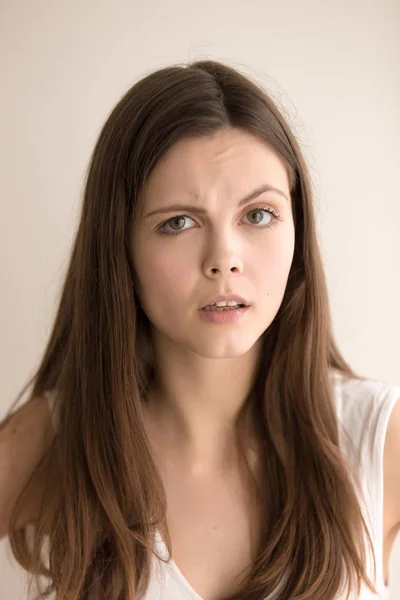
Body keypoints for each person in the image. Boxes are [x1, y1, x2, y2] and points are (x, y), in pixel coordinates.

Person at [1, 59, 399, 600]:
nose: (224, 259)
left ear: (298, 232)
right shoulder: (56, 442)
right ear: (120, 249)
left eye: (258, 215)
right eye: (178, 222)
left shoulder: (379, 440)